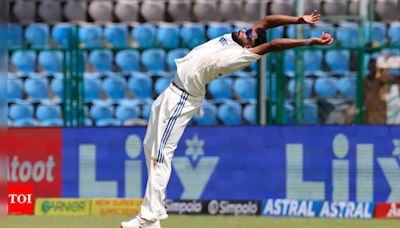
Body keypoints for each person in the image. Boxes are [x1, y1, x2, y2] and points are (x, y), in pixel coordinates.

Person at [121, 12, 333, 228]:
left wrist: (308, 41)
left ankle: (146, 220)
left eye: (249, 34)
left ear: (249, 46)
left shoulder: (242, 55)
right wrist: (299, 20)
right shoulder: (234, 39)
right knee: (151, 149)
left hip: (182, 99)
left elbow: (273, 44)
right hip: (171, 91)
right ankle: (154, 217)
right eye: (249, 30)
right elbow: (268, 21)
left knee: (160, 156)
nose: (245, 31)